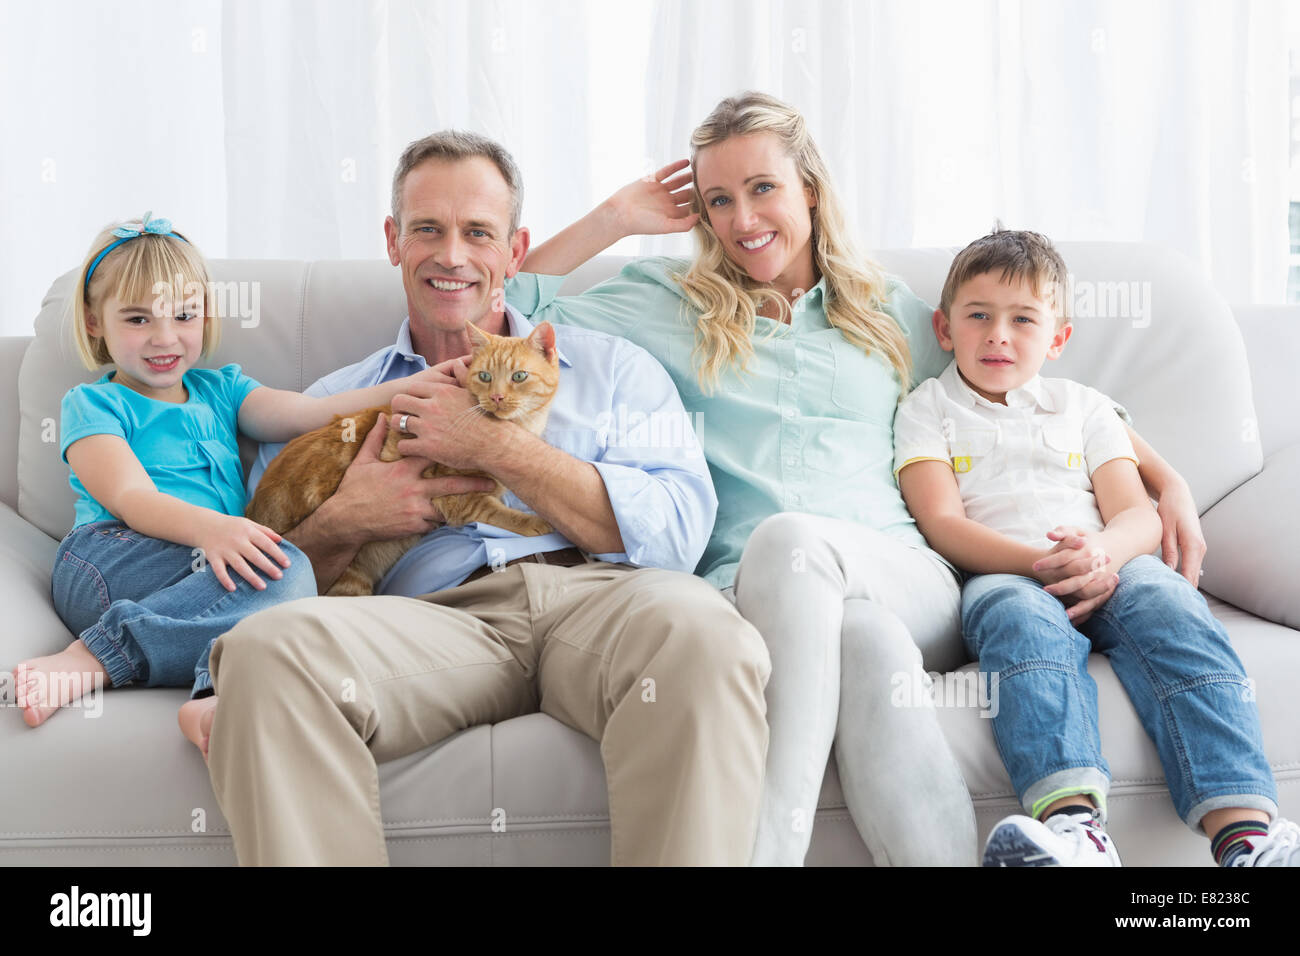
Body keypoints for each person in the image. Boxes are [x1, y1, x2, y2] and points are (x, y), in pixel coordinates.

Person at [508, 91, 1210, 866]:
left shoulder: (887, 312)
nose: (743, 220)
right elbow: (508, 312)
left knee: (812, 559)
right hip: (745, 595)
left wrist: (1167, 477)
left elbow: (1026, 388)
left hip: (904, 579)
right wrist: (614, 219)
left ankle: (767, 853)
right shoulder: (667, 303)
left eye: (763, 188)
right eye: (719, 201)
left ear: (808, 187)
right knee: (864, 644)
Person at [202, 131, 771, 866]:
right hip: (427, 621)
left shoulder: (614, 368)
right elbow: (262, 573)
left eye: (478, 233)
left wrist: (503, 450)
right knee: (264, 653)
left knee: (708, 635)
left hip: (604, 603)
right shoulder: (330, 403)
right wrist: (348, 520)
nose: (452, 255)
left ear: (515, 249)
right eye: (427, 230)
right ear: (392, 241)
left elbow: (678, 531)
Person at [894, 228, 1298, 867]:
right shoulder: (926, 409)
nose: (999, 334)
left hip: (1110, 561)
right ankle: (1073, 831)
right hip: (1005, 573)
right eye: (979, 316)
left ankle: (1247, 834)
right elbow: (942, 521)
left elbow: (1136, 511)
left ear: (1058, 338)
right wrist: (1035, 563)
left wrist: (1101, 555)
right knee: (1022, 629)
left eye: (1023, 319)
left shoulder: (1083, 408)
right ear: (944, 329)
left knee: (1173, 613)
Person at [17, 213, 448, 739]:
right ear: (93, 322)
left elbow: (310, 413)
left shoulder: (222, 390)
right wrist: (215, 529)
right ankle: (93, 656)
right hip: (108, 559)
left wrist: (407, 387)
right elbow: (130, 498)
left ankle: (215, 696)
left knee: (287, 587)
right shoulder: (95, 402)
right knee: (288, 568)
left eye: (183, 316)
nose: (164, 337)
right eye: (137, 320)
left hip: (204, 570)